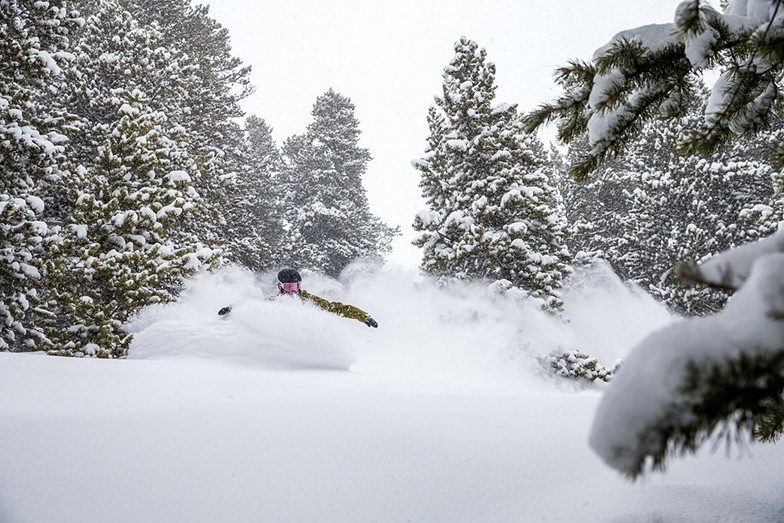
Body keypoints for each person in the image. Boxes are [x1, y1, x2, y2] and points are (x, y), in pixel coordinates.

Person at [218, 268, 379, 328]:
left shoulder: (307, 300)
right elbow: (253, 306)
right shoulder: (274, 302)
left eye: (296, 287)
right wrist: (233, 308)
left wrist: (363, 316)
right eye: (289, 287)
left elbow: (336, 308)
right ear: (279, 286)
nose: (293, 291)